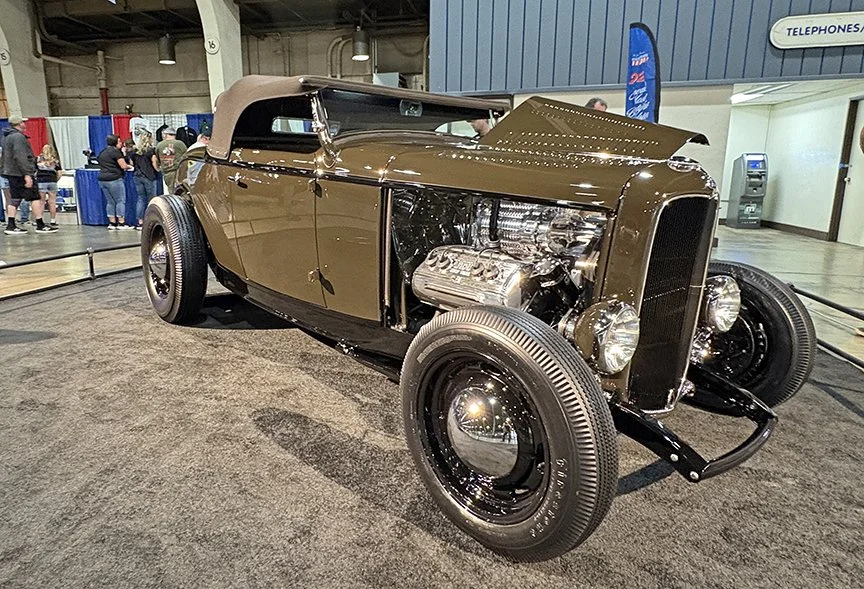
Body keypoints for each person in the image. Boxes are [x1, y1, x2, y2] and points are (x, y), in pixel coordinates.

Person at [1, 116, 57, 234]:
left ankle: (11, 224)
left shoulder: (6, 137)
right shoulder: (18, 137)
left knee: (14, 199)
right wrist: (27, 174)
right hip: (21, 173)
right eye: (22, 122)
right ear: (18, 124)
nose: (24, 124)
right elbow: (20, 156)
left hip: (11, 172)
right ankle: (40, 224)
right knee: (35, 197)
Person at [97, 134, 133, 230]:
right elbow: (123, 166)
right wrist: (130, 166)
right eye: (119, 142)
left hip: (102, 179)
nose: (121, 143)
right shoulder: (116, 152)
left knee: (110, 202)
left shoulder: (102, 152)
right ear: (115, 143)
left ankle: (112, 223)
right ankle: (121, 223)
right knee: (120, 200)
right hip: (114, 179)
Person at [130, 131, 160, 230]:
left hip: (137, 176)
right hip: (149, 176)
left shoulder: (134, 151)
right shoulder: (150, 150)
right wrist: (159, 170)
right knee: (152, 199)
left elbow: (132, 163)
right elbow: (154, 163)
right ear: (149, 139)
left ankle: (140, 222)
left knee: (140, 199)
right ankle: (152, 220)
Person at [36, 144, 63, 228]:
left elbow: (34, 171)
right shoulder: (55, 160)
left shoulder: (38, 159)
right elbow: (59, 173)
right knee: (52, 202)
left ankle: (40, 219)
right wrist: (55, 180)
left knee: (41, 202)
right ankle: (53, 220)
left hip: (41, 181)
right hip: (52, 181)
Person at [156, 127, 187, 194]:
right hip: (180, 172)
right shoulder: (180, 144)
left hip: (167, 173)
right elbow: (186, 156)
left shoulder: (159, 145)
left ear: (166, 135)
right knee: (182, 192)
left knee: (172, 192)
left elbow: (158, 158)